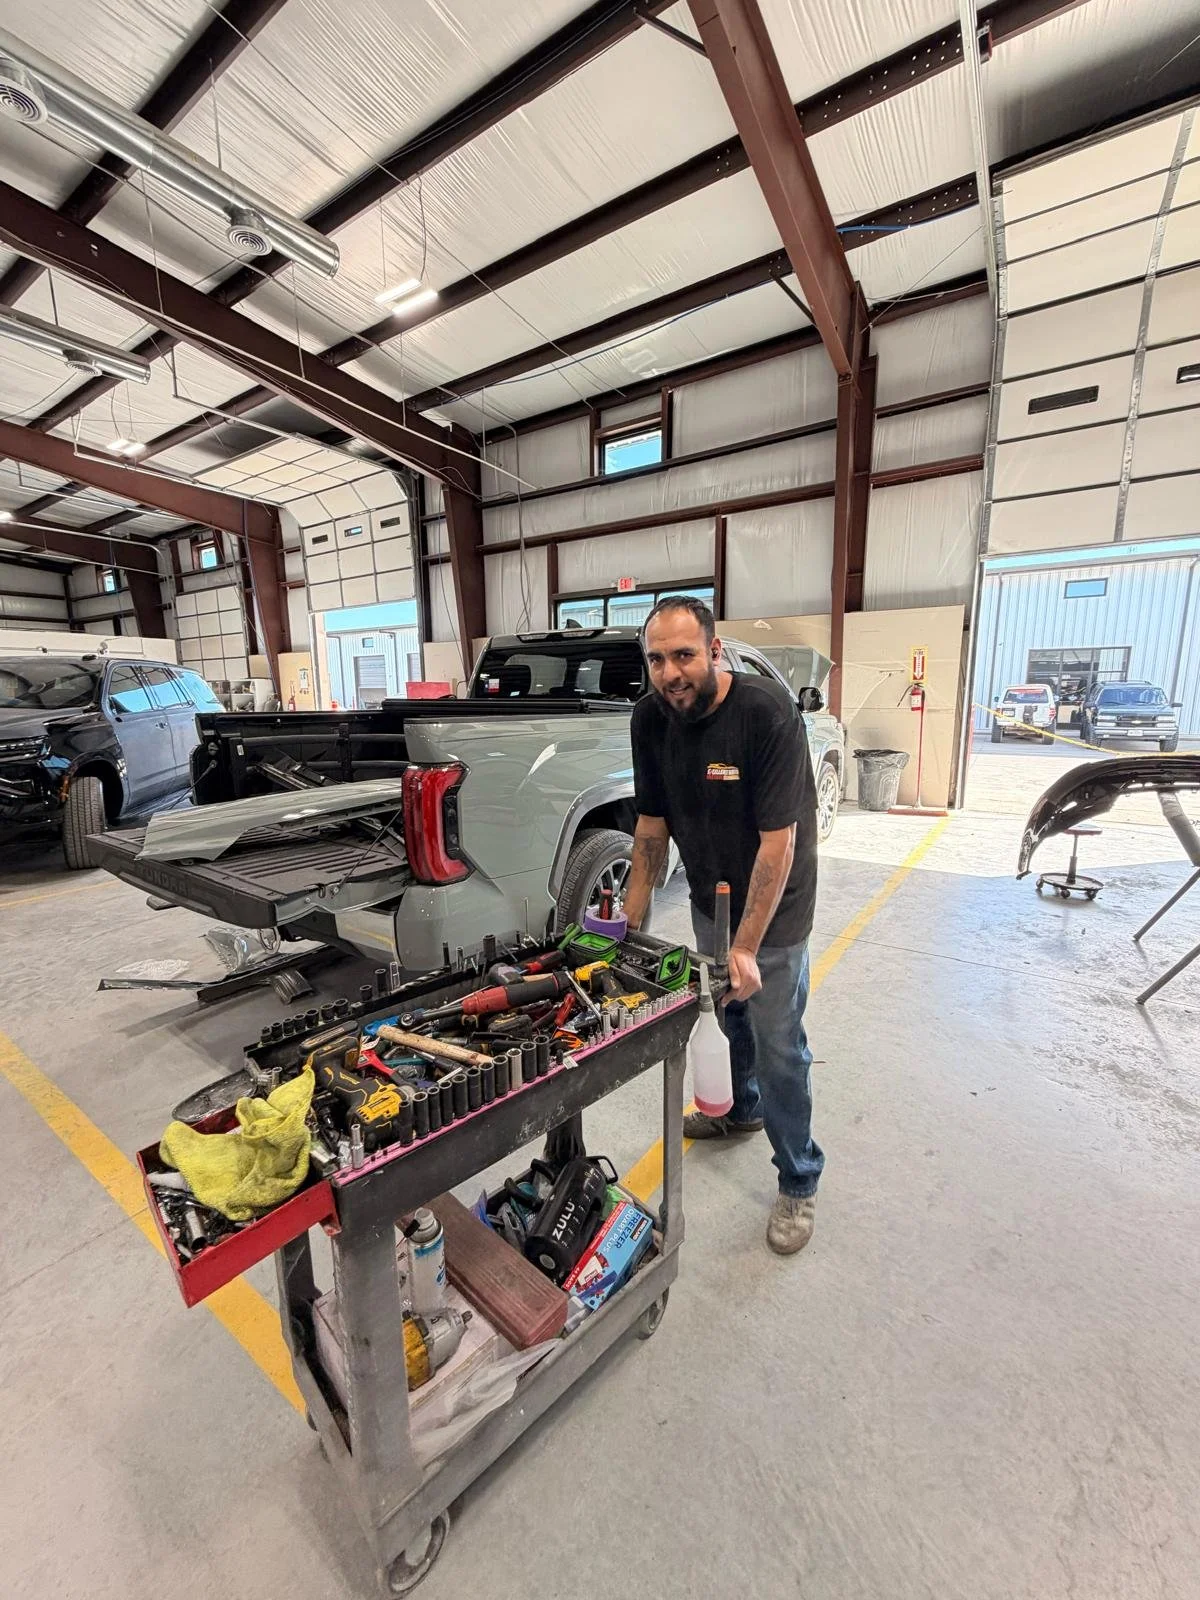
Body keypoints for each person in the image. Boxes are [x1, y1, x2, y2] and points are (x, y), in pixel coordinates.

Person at [622, 595, 824, 1255]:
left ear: (714, 650)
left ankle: (798, 1177)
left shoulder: (766, 714)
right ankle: (741, 1110)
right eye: (657, 660)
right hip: (711, 895)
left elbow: (778, 845)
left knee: (778, 1042)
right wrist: (629, 917)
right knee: (726, 1011)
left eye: (684, 655)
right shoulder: (650, 718)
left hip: (776, 905)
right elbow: (651, 827)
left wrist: (746, 947)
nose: (670, 673)